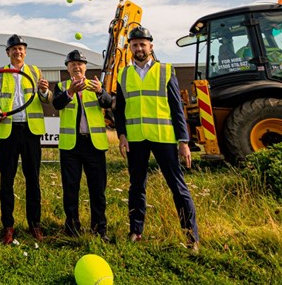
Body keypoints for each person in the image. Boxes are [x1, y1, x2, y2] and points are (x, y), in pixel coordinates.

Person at [114, 26, 200, 252]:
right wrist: (121, 135)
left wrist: (183, 141)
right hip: (135, 140)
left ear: (151, 46)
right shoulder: (123, 74)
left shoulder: (165, 70)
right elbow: (120, 110)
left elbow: (176, 108)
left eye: (143, 44)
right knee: (136, 187)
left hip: (163, 138)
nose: (139, 48)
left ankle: (191, 237)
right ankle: (135, 231)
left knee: (178, 187)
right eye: (135, 45)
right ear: (130, 48)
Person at [0, 34, 52, 244]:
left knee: (33, 180)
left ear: (25, 52)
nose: (18, 52)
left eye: (21, 49)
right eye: (14, 49)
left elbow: (46, 99)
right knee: (6, 181)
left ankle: (34, 224)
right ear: (8, 52)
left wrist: (45, 91)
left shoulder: (35, 72)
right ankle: (8, 226)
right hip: (8, 132)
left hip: (30, 132)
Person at [52, 49, 112, 241]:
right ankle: (72, 228)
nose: (77, 67)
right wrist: (70, 92)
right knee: (70, 189)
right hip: (71, 146)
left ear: (85, 67)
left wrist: (101, 92)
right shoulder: (61, 86)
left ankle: (99, 229)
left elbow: (108, 103)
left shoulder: (95, 85)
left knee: (97, 189)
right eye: (72, 64)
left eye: (80, 64)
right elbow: (57, 104)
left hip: (94, 145)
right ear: (67, 68)